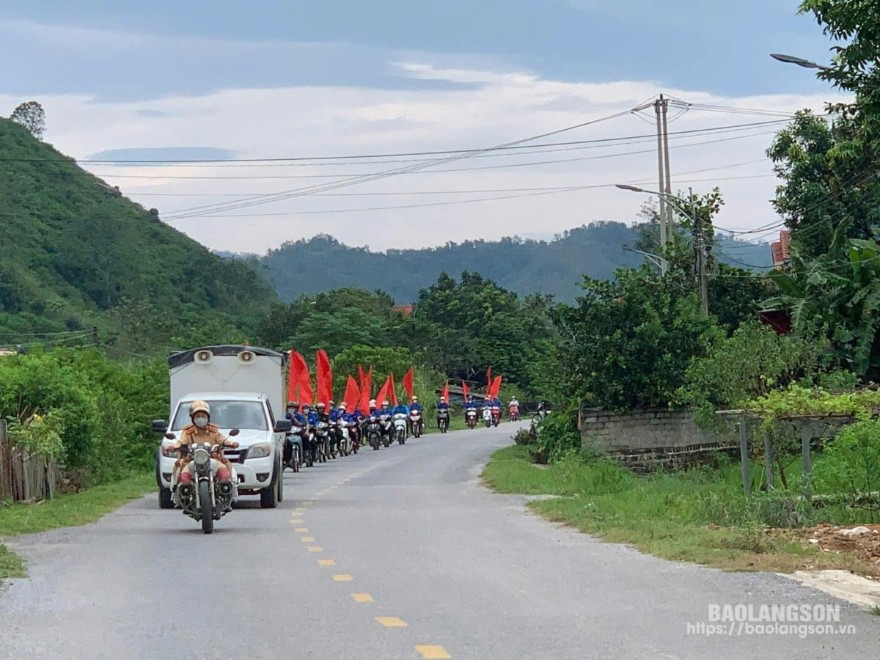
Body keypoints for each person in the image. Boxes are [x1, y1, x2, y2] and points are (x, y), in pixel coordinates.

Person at [171, 400, 239, 499]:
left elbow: (221, 439)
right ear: (193, 418)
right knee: (183, 475)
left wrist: (230, 443)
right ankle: (179, 494)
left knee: (224, 473)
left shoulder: (214, 431)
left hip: (213, 459)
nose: (201, 419)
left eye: (203, 416)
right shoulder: (187, 432)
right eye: (198, 416)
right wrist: (174, 446)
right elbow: (181, 442)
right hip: (192, 460)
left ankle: (229, 494)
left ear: (208, 418)